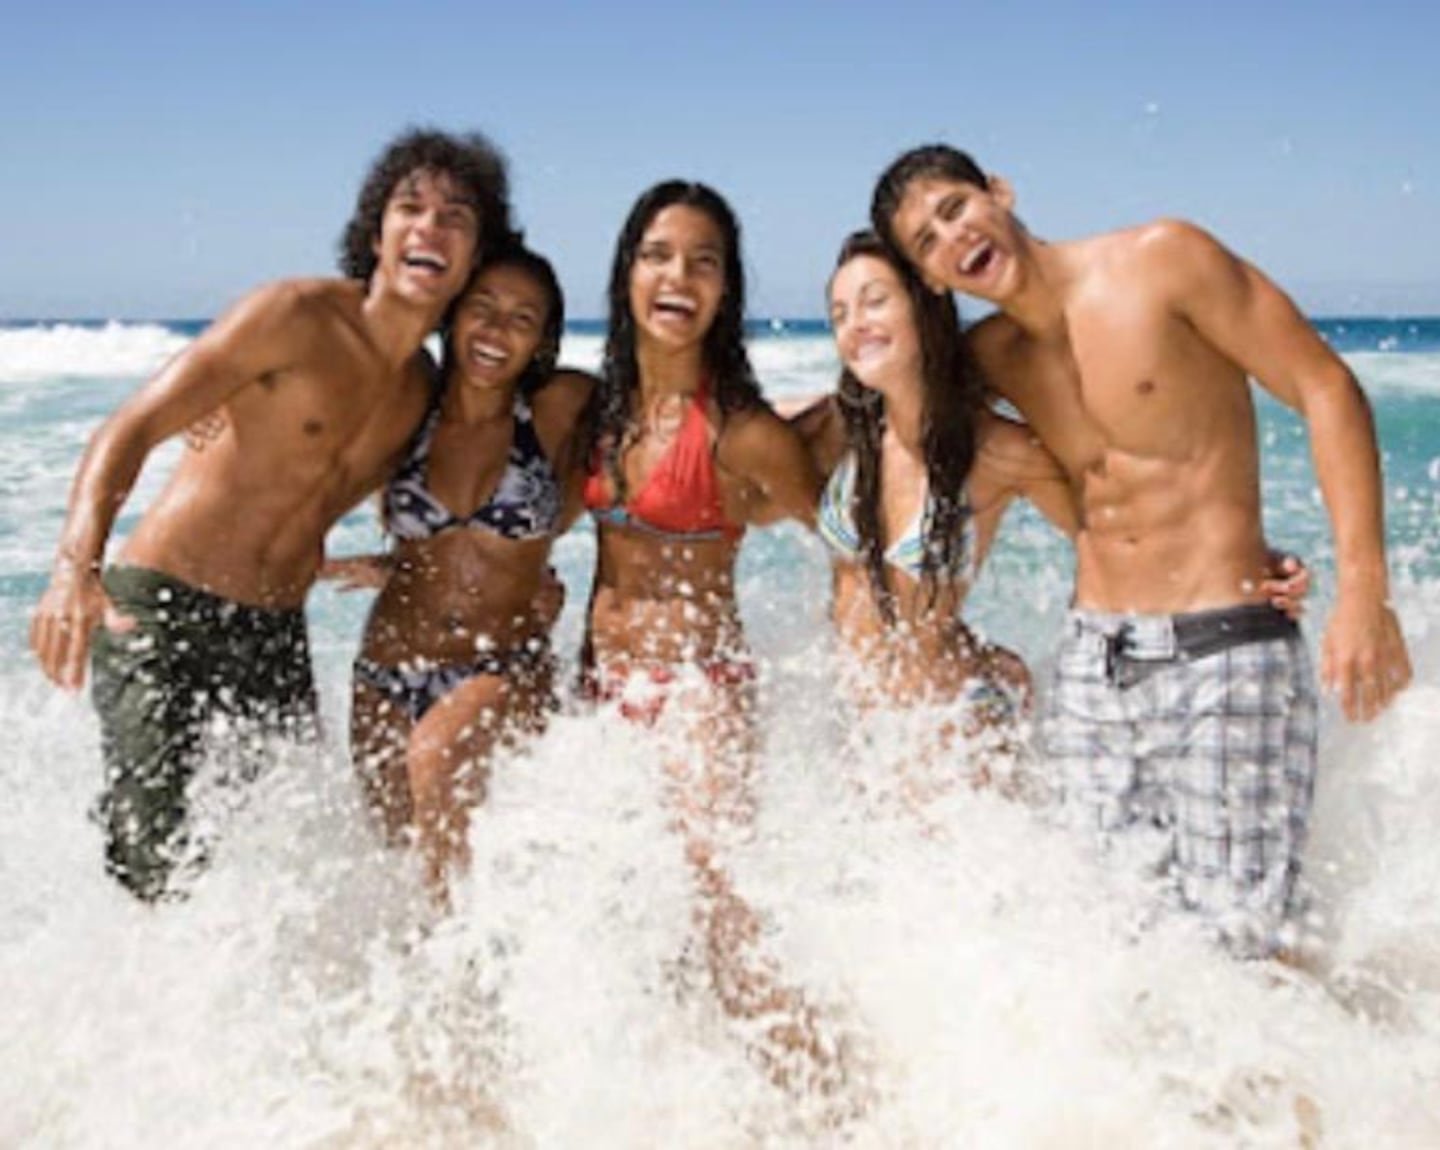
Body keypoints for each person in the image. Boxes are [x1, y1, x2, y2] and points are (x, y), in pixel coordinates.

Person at [871, 143, 1412, 956]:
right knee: (1110, 946)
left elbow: (1324, 387)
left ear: (999, 193)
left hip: (1228, 647)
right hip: (1094, 666)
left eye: (956, 208)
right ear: (932, 279)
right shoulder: (993, 358)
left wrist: (1364, 592)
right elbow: (881, 412)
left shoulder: (1163, 261)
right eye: (927, 242)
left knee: (1239, 947)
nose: (953, 237)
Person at [29, 128, 513, 902]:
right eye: (410, 208)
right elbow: (129, 428)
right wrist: (72, 572)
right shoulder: (293, 316)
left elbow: (390, 499)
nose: (430, 226)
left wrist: (388, 565)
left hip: (273, 635)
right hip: (163, 609)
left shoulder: (424, 389)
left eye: (455, 217)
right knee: (156, 860)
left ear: (475, 255)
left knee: (271, 866)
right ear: (377, 233)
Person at [580, 180, 853, 1098]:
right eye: (658, 256)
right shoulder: (593, 411)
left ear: (726, 289)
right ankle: (683, 1099)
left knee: (716, 892)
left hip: (701, 684)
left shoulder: (743, 431)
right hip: (604, 689)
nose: (679, 277)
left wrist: (914, 649)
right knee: (628, 910)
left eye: (704, 262)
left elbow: (843, 550)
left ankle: (820, 1093)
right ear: (627, 273)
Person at [322, 245, 592, 906]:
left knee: (437, 768)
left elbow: (674, 411)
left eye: (522, 319)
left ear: (543, 340)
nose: (497, 330)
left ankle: (471, 972)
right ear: (453, 313)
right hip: (386, 670)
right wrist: (216, 415)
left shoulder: (560, 406)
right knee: (402, 866)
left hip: (501, 663)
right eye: (483, 308)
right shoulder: (407, 405)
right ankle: (424, 973)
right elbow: (298, 420)